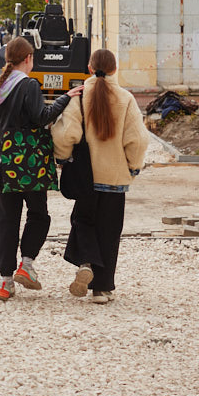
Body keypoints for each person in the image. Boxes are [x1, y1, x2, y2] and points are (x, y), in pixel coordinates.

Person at [0, 37, 82, 301]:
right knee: (39, 215)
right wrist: (65, 99)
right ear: (28, 59)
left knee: (7, 221)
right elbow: (42, 117)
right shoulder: (28, 84)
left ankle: (5, 283)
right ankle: (26, 265)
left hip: (3, 162)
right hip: (30, 164)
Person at [51, 49, 148, 304]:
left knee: (82, 222)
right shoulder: (126, 98)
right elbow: (137, 140)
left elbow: (64, 135)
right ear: (115, 69)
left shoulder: (80, 97)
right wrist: (133, 168)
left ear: (89, 68)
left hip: (86, 177)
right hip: (115, 179)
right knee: (109, 231)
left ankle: (85, 262)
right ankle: (101, 290)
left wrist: (63, 158)